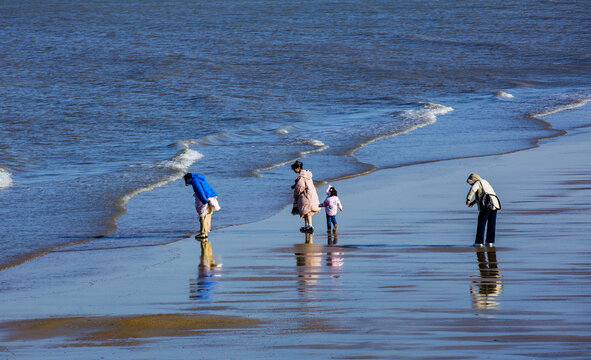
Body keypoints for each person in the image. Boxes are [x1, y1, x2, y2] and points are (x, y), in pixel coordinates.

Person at [466, 173, 501, 247]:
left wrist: (468, 199)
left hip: (486, 205)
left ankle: (479, 242)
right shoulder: (485, 182)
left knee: (481, 223)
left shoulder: (477, 183)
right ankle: (490, 242)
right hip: (494, 204)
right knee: (491, 223)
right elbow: (484, 194)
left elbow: (473, 190)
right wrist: (473, 202)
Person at [184, 173, 220, 240]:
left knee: (202, 215)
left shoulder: (195, 181)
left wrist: (204, 201)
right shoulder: (199, 178)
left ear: (187, 178)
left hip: (205, 198)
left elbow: (200, 192)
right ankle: (206, 232)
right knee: (208, 214)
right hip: (211, 196)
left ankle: (203, 233)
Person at [291, 160, 320, 233]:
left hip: (306, 195)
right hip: (311, 194)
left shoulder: (301, 177)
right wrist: (295, 185)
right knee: (306, 211)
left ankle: (309, 225)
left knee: (307, 211)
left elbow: (300, 187)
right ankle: (307, 225)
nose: (294, 170)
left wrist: (296, 195)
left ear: (298, 168)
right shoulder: (307, 174)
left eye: (294, 168)